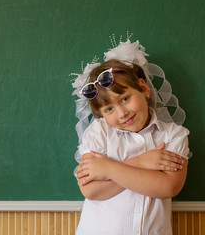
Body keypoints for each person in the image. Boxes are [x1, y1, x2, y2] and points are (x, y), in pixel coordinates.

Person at [71, 37, 190, 235]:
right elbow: (91, 191)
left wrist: (107, 169)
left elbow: (168, 187)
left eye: (125, 99)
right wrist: (141, 162)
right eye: (109, 109)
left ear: (143, 88)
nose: (122, 113)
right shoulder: (99, 132)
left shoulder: (173, 135)